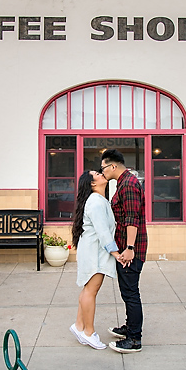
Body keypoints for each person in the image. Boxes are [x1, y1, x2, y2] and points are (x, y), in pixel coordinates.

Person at [100, 148, 147, 353]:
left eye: (103, 168)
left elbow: (131, 218)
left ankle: (134, 339)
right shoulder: (123, 182)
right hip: (125, 246)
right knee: (127, 291)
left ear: (112, 166)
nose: (102, 172)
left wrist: (129, 248)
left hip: (131, 249)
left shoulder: (128, 184)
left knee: (130, 293)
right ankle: (130, 328)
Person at [69, 170, 122, 351]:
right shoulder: (96, 202)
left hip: (92, 251)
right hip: (95, 254)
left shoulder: (97, 200)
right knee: (91, 291)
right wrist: (115, 252)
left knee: (87, 290)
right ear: (92, 183)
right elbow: (103, 231)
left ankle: (78, 326)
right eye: (98, 174)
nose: (102, 174)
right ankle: (89, 333)